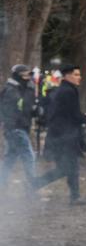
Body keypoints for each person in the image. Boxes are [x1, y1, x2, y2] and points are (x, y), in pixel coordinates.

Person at [33, 65, 86, 205]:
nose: (79, 77)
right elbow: (74, 115)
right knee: (67, 168)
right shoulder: (68, 91)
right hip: (65, 137)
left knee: (69, 168)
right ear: (67, 76)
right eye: (76, 74)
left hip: (61, 136)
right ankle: (36, 184)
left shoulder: (63, 90)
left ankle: (74, 197)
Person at [0, 64, 38, 193]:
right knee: (29, 156)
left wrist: (36, 111)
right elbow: (6, 111)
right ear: (18, 76)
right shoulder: (11, 90)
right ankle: (32, 185)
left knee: (9, 159)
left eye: (29, 74)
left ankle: (1, 184)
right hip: (16, 129)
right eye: (25, 74)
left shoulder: (27, 88)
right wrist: (12, 128)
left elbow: (27, 107)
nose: (28, 77)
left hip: (22, 127)